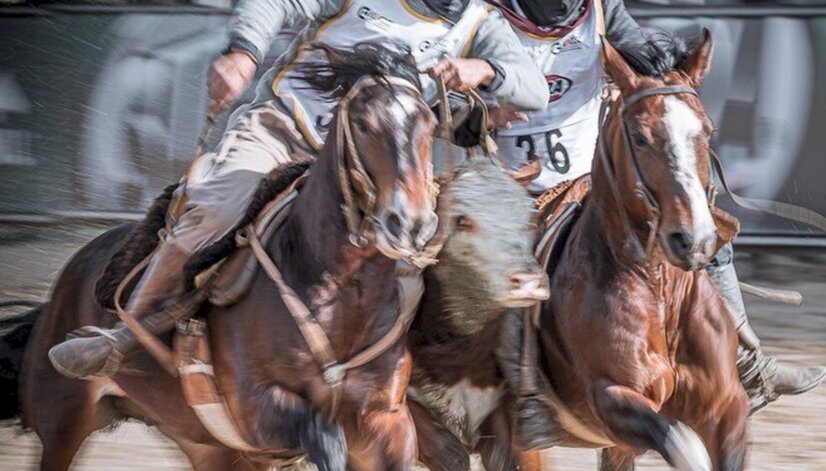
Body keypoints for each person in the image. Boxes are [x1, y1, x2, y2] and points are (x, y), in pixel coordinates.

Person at [49, 0, 548, 380]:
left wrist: (488, 71)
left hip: (380, 166)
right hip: (286, 132)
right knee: (215, 214)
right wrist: (244, 52)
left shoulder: (483, 21)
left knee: (427, 254)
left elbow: (535, 87)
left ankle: (399, 375)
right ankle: (123, 336)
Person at [486, 0, 826, 450]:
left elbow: (642, 52)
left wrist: (646, 77)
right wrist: (484, 114)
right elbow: (451, 93)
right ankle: (525, 393)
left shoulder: (599, 8)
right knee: (513, 270)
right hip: (516, 181)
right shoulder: (485, 16)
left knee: (706, 232)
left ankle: (747, 364)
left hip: (594, 177)